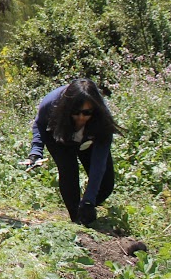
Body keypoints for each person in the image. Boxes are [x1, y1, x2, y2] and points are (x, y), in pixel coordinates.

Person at [25, 79, 119, 226]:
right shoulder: (51, 104)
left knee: (106, 184)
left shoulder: (102, 119)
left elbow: (99, 164)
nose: (81, 117)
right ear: (67, 109)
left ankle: (85, 208)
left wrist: (89, 200)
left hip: (88, 139)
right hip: (59, 135)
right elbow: (40, 124)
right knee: (68, 171)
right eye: (76, 112)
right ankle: (76, 220)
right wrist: (36, 151)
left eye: (87, 113)